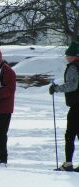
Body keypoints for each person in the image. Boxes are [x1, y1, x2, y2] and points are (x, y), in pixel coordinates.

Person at [49, 41, 79, 172]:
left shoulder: (73, 67)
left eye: (68, 54)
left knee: (70, 134)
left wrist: (56, 88)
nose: (66, 57)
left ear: (73, 55)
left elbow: (72, 85)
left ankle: (68, 164)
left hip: (76, 106)